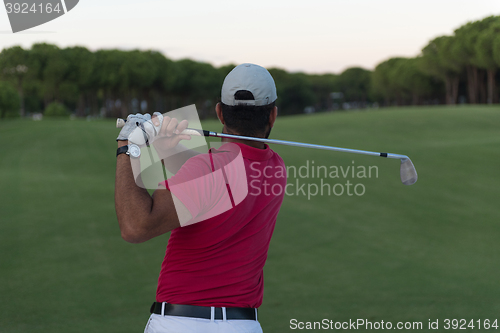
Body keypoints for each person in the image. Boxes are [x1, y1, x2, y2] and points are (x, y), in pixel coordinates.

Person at [115, 63, 286, 333]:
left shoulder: (208, 170)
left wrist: (128, 146)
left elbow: (135, 227)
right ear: (273, 115)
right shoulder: (276, 168)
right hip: (243, 325)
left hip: (180, 324)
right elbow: (215, 178)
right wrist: (165, 149)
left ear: (220, 112)